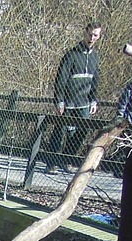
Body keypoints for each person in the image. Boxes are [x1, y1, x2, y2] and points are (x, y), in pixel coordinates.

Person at [47, 20, 103, 170]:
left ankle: (65, 160)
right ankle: (51, 162)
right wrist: (59, 101)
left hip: (84, 103)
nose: (92, 38)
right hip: (68, 102)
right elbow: (61, 79)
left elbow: (95, 81)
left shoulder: (95, 57)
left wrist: (93, 101)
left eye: (95, 35)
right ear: (85, 33)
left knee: (79, 134)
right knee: (59, 132)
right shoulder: (71, 55)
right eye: (90, 34)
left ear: (99, 36)